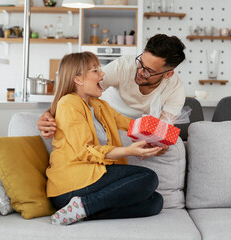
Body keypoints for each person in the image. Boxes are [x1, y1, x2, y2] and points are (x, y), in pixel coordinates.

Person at [46, 52, 164, 226]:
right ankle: (85, 205)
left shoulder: (99, 105)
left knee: (155, 202)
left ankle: (80, 211)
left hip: (93, 181)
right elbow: (85, 150)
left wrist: (161, 134)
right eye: (95, 70)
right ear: (78, 79)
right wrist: (129, 151)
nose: (102, 74)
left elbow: (131, 124)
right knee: (148, 177)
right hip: (71, 185)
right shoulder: (68, 104)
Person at [38, 34, 186, 156]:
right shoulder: (123, 66)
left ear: (168, 74)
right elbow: (79, 91)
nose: (140, 71)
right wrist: (49, 113)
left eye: (149, 70)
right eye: (140, 62)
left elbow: (163, 130)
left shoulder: (176, 90)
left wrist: (160, 144)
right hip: (104, 118)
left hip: (137, 127)